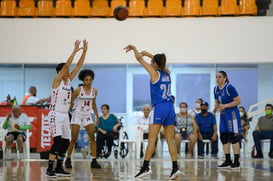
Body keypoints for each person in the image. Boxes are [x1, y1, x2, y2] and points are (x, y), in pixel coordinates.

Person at [124, 45, 181, 180]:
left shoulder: (154, 73)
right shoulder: (167, 73)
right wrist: (150, 55)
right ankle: (175, 167)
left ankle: (145, 167)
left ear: (155, 64)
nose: (150, 64)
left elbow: (139, 59)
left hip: (159, 107)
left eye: (152, 62)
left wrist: (135, 49)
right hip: (170, 107)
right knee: (170, 140)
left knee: (151, 140)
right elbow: (162, 63)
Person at [46, 39, 88, 177]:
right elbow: (67, 65)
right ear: (60, 72)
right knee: (57, 141)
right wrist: (75, 51)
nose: (69, 72)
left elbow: (79, 65)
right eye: (66, 70)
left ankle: (59, 167)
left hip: (65, 115)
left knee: (66, 142)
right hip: (55, 114)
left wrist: (84, 51)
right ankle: (49, 168)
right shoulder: (57, 81)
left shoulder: (68, 80)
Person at [65, 69, 101, 169]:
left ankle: (94, 160)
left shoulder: (94, 91)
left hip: (87, 115)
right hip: (77, 114)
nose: (88, 82)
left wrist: (97, 116)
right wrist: (67, 113)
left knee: (92, 138)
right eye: (86, 80)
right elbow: (70, 101)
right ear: (83, 80)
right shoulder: (78, 90)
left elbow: (93, 104)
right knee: (74, 138)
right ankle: (68, 159)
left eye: (90, 80)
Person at [213, 70, 242, 169]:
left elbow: (238, 101)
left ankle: (236, 161)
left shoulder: (230, 87)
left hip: (232, 114)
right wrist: (215, 109)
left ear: (225, 78)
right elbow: (217, 101)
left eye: (219, 77)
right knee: (223, 137)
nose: (217, 79)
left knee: (233, 137)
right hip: (223, 115)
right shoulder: (216, 89)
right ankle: (227, 160)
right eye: (216, 77)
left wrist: (225, 105)